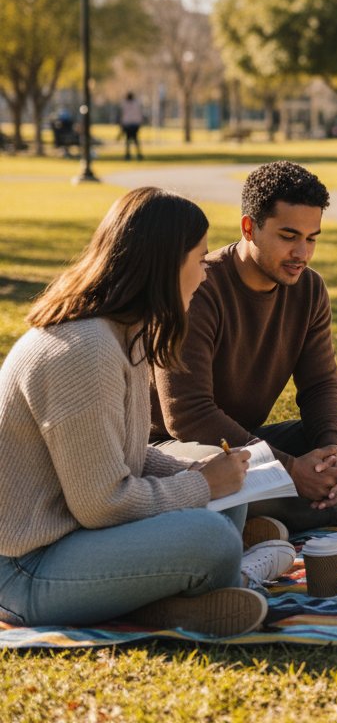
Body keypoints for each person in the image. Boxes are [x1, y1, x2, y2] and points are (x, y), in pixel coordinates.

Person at [0, 188, 296, 636]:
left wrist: (204, 472)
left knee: (220, 490)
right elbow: (102, 504)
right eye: (199, 259)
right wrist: (198, 484)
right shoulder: (86, 349)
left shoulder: (120, 334)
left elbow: (128, 455)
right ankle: (236, 574)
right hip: (26, 571)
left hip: (73, 540)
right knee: (211, 535)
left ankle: (167, 604)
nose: (205, 274)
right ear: (165, 264)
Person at [150, 160, 337, 536]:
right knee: (217, 476)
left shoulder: (310, 289)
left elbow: (320, 385)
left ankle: (306, 503)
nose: (302, 252)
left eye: (312, 238)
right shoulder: (198, 287)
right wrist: (289, 468)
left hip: (248, 442)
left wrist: (331, 450)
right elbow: (187, 415)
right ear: (249, 227)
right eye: (288, 236)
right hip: (175, 448)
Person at [119, 92, 144, 160]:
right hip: (133, 124)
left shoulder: (126, 104)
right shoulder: (135, 103)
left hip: (129, 124)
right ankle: (134, 154)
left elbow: (123, 115)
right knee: (133, 140)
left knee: (129, 140)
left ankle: (129, 155)